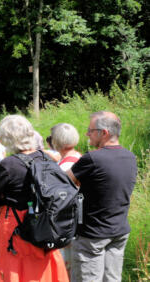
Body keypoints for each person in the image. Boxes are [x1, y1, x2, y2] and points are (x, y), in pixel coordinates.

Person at [0, 115, 68, 281]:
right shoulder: (47, 158)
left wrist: (5, 198)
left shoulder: (9, 164)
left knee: (15, 270)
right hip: (45, 225)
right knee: (41, 271)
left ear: (7, 138)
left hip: (16, 226)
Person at [66, 111, 137, 282]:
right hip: (119, 231)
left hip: (92, 234)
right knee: (112, 279)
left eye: (90, 130)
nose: (87, 134)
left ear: (104, 133)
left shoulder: (93, 158)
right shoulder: (130, 157)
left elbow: (65, 180)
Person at [49, 123, 82, 277]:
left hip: (66, 221)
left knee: (65, 266)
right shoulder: (78, 157)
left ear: (57, 141)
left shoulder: (67, 165)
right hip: (74, 219)